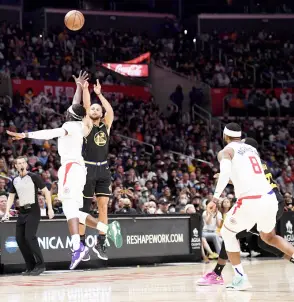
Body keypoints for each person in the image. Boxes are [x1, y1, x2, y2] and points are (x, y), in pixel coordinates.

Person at [6, 103, 122, 270]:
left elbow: (50, 133)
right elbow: (78, 105)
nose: (65, 111)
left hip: (71, 168)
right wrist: (80, 87)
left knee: (69, 210)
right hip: (80, 169)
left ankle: (78, 247)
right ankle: (106, 230)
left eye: (68, 110)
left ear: (71, 115)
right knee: (74, 212)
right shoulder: (81, 124)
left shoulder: (69, 126)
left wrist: (25, 134)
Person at [209, 123, 294, 291]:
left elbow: (225, 174)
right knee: (269, 237)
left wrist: (214, 198)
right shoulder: (251, 150)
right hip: (270, 198)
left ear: (225, 136)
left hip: (251, 200)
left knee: (227, 232)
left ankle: (240, 278)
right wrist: (230, 177)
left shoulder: (225, 151)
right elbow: (247, 176)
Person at [72, 73, 114, 261]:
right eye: (94, 108)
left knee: (103, 207)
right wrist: (86, 90)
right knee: (85, 210)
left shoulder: (106, 125)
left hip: (103, 169)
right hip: (87, 168)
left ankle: (101, 241)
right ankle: (80, 243)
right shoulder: (87, 125)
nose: (95, 109)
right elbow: (87, 106)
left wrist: (101, 95)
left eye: (98, 108)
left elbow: (110, 111)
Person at [1, 156, 54, 276]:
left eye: (23, 162)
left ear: (26, 164)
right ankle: (30, 266)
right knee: (20, 239)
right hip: (22, 212)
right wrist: (7, 212)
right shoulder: (15, 180)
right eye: (18, 163)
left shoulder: (33, 177)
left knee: (30, 237)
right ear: (15, 166)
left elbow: (45, 191)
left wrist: (50, 208)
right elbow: (11, 196)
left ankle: (41, 265)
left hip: (33, 210)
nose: (21, 165)